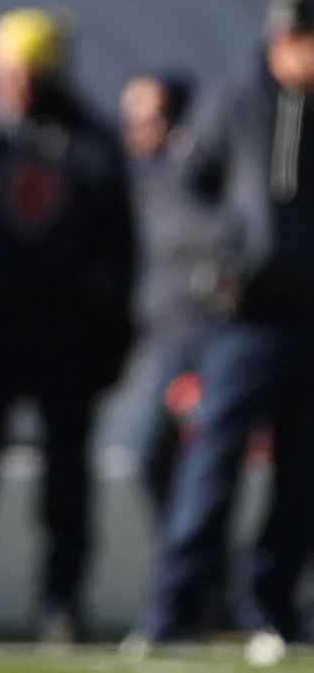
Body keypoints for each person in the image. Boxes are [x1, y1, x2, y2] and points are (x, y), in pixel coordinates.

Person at [0, 9, 134, 642]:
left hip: (63, 336)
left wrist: (111, 334)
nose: (13, 83)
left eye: (25, 72)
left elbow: (119, 249)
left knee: (65, 480)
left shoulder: (92, 144)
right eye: (6, 72)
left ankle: (60, 603)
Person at [131, 0, 314, 664]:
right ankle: (174, 611)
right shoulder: (232, 102)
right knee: (212, 463)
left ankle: (274, 609)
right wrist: (233, 244)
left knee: (302, 475)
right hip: (244, 318)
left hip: (308, 314)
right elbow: (174, 192)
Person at [119, 73, 215, 514]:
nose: (137, 131)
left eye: (149, 119)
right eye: (130, 120)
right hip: (153, 344)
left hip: (196, 346)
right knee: (151, 461)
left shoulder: (201, 185)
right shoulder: (134, 180)